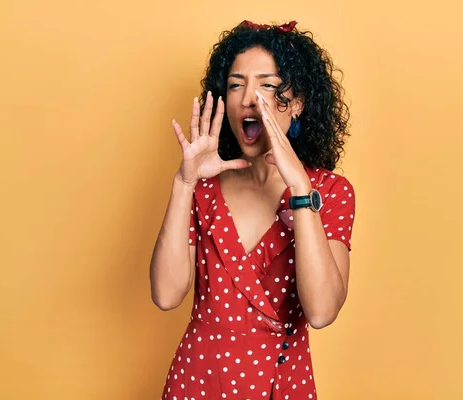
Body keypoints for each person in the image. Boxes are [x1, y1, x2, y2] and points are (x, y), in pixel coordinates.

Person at [150, 19, 356, 400]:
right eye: (235, 84)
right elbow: (166, 295)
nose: (247, 97)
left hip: (282, 385)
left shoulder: (327, 192)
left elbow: (322, 311)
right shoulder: (204, 190)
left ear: (296, 104)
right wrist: (184, 184)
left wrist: (299, 189)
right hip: (197, 383)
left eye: (266, 84)